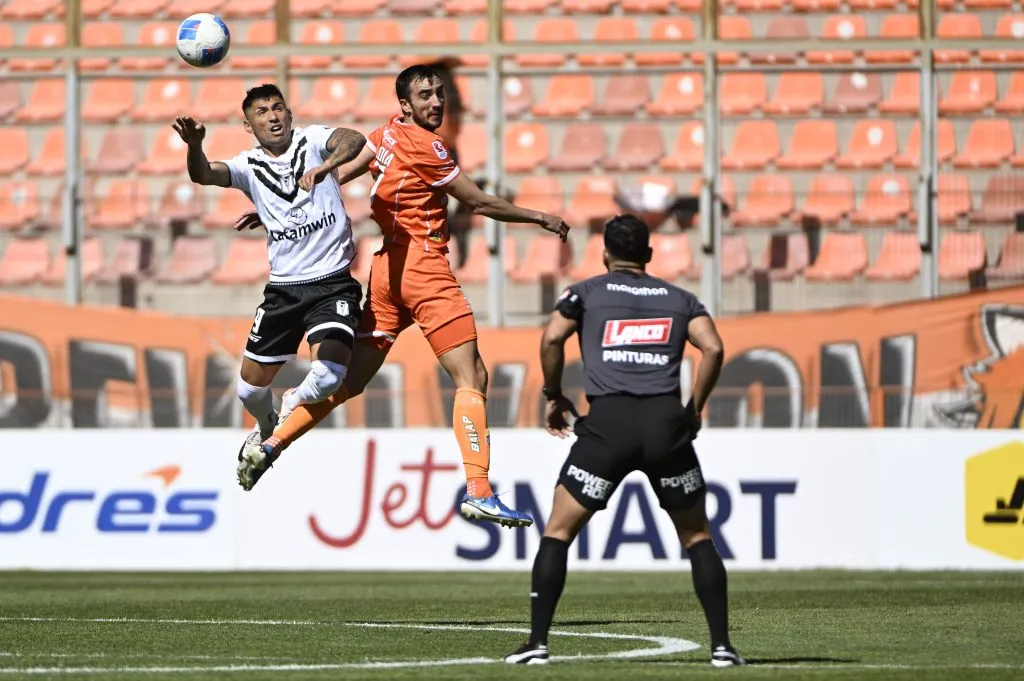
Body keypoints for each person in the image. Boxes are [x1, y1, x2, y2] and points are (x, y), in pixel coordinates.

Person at [236, 64, 571, 529]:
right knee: (472, 377)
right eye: (425, 95)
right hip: (425, 270)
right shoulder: (429, 146)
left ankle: (271, 444)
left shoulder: (388, 132)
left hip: (386, 271)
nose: (436, 102)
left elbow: (343, 173)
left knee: (348, 382)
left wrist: (286, 204)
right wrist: (539, 217)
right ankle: (479, 491)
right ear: (406, 105)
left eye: (439, 93)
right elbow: (478, 203)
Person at [503, 214, 744, 667]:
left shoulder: (586, 293)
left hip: (607, 427)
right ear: (649, 255)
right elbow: (712, 347)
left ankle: (537, 643)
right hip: (664, 426)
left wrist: (554, 394)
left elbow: (552, 337)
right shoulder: (680, 299)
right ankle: (722, 647)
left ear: (605, 254)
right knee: (697, 536)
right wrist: (694, 409)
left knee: (557, 532)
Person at [173, 83, 368, 491]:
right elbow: (204, 174)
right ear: (249, 125)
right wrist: (195, 146)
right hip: (283, 292)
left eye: (278, 108)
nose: (273, 116)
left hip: (332, 283)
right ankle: (265, 426)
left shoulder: (312, 142)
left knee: (330, 375)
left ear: (290, 114)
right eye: (262, 112)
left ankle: (291, 404)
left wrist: (326, 165)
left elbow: (354, 139)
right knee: (247, 390)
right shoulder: (248, 166)